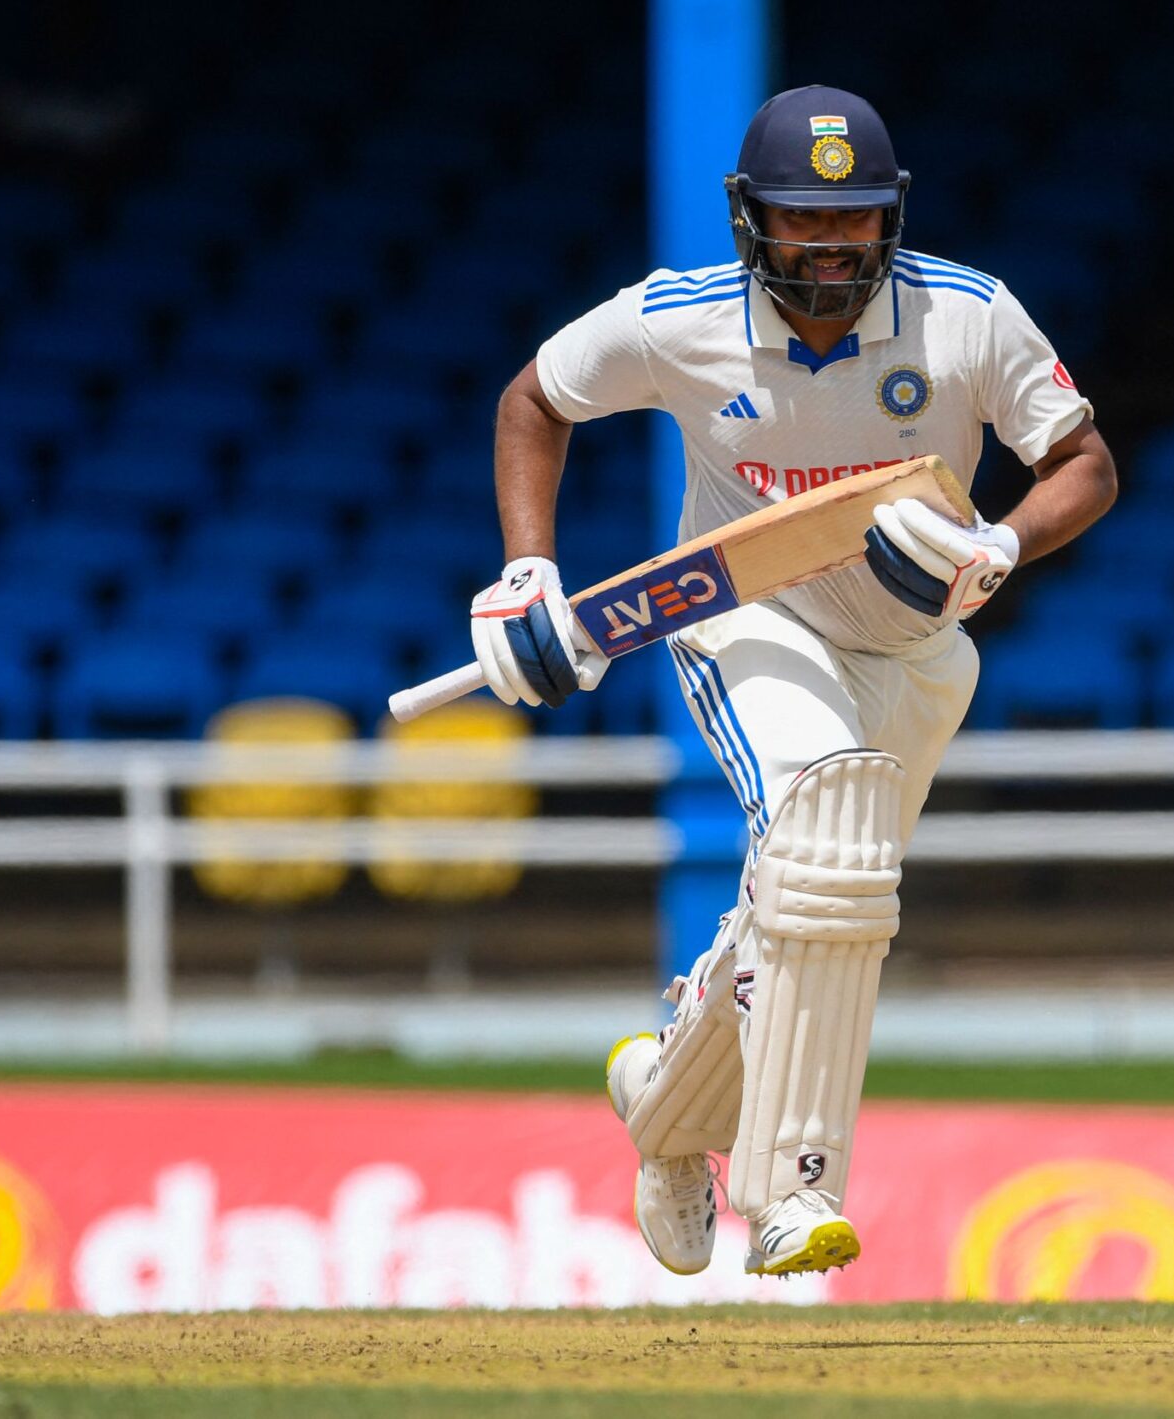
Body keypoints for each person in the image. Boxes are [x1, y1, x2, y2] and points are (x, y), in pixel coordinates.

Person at [470, 85, 1117, 1278]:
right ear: (748, 217)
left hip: (919, 650)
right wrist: (528, 567)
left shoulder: (966, 317)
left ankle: (666, 1103)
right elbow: (535, 399)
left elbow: (1082, 462)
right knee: (824, 854)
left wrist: (1000, 546)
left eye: (857, 220)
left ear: (892, 218)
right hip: (747, 618)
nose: (831, 245)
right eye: (803, 221)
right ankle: (789, 1195)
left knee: (818, 897)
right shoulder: (678, 322)